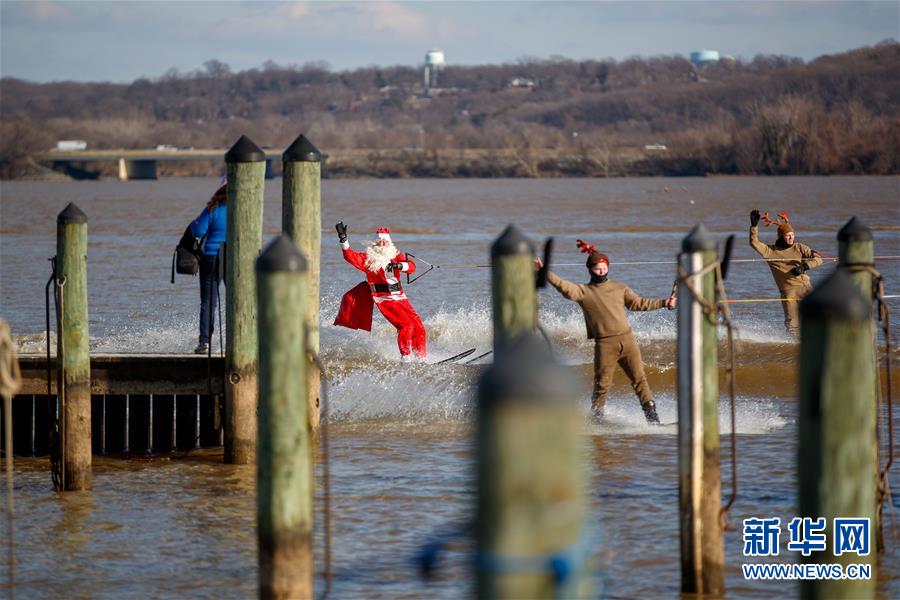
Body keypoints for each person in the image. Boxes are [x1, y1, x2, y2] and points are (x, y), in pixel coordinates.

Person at [539, 240, 675, 423]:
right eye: (597, 268)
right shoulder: (583, 291)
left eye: (604, 267)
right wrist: (543, 272)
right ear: (590, 269)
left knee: (640, 380)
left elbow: (638, 304)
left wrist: (664, 303)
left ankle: (653, 420)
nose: (601, 271)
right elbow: (564, 287)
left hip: (628, 341)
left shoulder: (620, 287)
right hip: (605, 344)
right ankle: (597, 419)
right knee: (602, 385)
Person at [333, 223, 427, 360]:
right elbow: (349, 256)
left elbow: (412, 267)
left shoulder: (395, 255)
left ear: (389, 242)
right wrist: (343, 240)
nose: (382, 243)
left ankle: (421, 358)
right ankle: (406, 358)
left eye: (385, 241)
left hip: (400, 297)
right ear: (374, 243)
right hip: (384, 299)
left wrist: (400, 265)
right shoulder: (368, 259)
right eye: (379, 241)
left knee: (418, 325)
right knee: (406, 325)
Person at [749, 210, 823, 337]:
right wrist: (754, 227)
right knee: (792, 324)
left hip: (805, 288)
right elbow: (754, 243)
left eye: (793, 235)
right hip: (788, 292)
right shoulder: (769, 251)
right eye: (788, 235)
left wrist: (804, 266)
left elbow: (819, 259)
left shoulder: (799, 247)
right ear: (781, 236)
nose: (791, 238)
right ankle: (794, 346)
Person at [189, 180, 227, 354]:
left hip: (211, 256)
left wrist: (195, 222)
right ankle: (243, 339)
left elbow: (198, 232)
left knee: (208, 302)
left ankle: (204, 342)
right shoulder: (244, 209)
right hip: (235, 259)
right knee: (240, 300)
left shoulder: (213, 208)